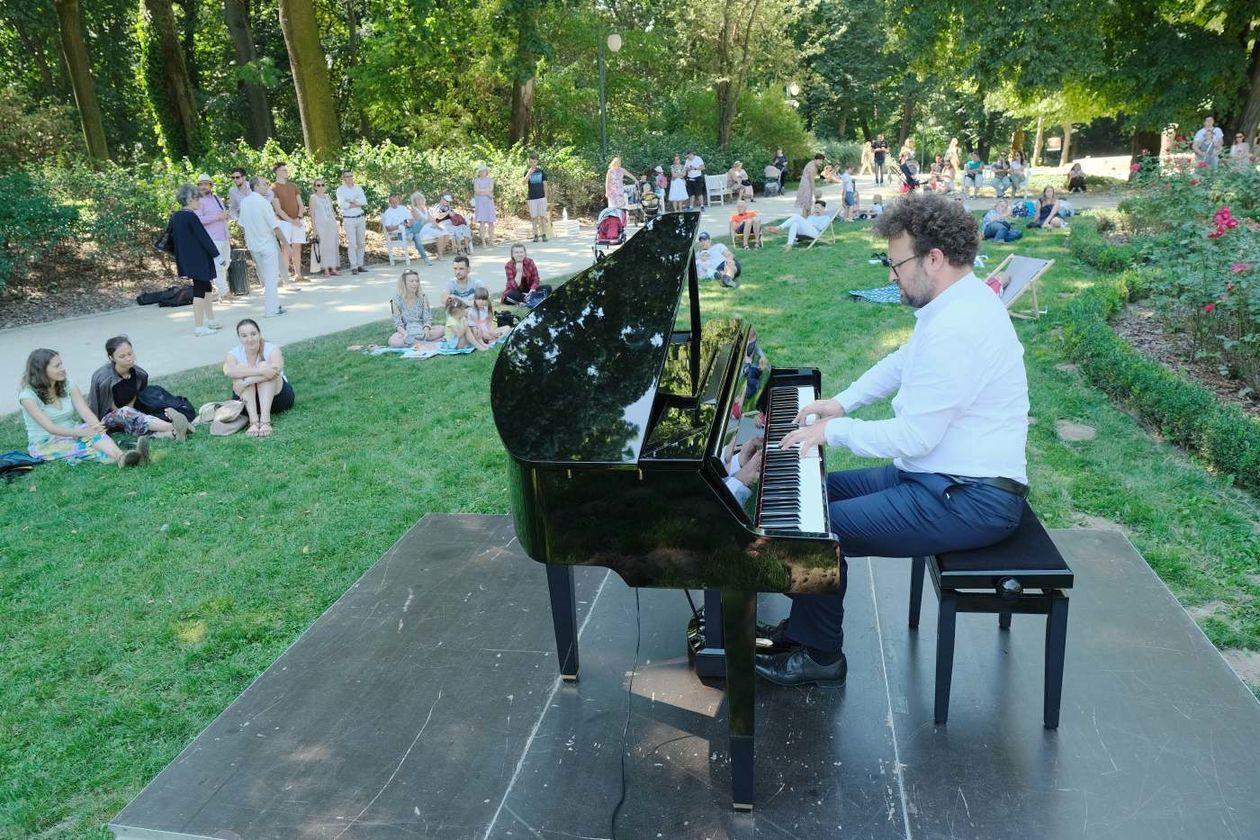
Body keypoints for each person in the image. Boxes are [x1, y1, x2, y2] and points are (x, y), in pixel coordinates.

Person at [749, 191, 1029, 688]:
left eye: (896, 264)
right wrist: (842, 403)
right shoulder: (956, 304)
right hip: (939, 477)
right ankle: (802, 629)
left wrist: (832, 431)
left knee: (813, 534)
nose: (892, 275)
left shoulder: (961, 326)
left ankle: (820, 656)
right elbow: (902, 362)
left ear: (934, 259)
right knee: (807, 497)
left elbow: (915, 436)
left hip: (972, 498)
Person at [18, 348, 145, 467]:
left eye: (61, 364)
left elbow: (84, 410)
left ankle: (122, 457)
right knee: (85, 447)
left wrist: (96, 426)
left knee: (92, 432)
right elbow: (51, 428)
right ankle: (126, 458)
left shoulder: (67, 384)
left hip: (72, 431)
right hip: (45, 442)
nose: (63, 368)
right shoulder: (28, 396)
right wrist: (82, 433)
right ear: (42, 370)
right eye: (57, 366)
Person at [88, 335, 192, 440]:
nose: (128, 358)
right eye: (122, 356)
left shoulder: (139, 374)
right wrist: (130, 414)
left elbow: (135, 397)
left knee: (145, 413)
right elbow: (109, 407)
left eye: (130, 353)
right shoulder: (104, 380)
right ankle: (174, 427)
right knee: (125, 412)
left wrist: (134, 414)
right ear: (111, 358)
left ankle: (172, 433)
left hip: (130, 414)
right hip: (107, 420)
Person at [168, 183, 225, 336]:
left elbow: (171, 239)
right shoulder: (191, 216)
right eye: (197, 199)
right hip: (198, 259)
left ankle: (211, 320)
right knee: (199, 292)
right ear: (189, 199)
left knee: (207, 287)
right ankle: (199, 327)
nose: (199, 202)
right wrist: (217, 256)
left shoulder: (176, 216)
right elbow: (203, 238)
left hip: (188, 259)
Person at [223, 318, 294, 437]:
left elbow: (276, 370)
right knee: (242, 368)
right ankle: (254, 422)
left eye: (253, 334)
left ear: (259, 334)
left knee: (264, 365)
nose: (250, 339)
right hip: (248, 402)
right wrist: (260, 371)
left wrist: (247, 381)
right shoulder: (233, 353)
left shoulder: (272, 349)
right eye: (244, 336)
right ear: (239, 338)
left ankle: (265, 421)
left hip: (277, 399)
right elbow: (229, 371)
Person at [238, 176, 290, 317]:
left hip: (253, 245)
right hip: (267, 244)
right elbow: (275, 226)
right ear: (256, 186)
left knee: (267, 278)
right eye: (264, 184)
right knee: (271, 278)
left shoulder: (244, 202)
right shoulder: (264, 203)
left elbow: (242, 224)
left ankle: (275, 305)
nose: (266, 186)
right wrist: (286, 244)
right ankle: (271, 309)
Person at [195, 174, 231, 301]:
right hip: (212, 238)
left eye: (206, 184)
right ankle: (223, 293)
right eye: (201, 184)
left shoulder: (217, 198)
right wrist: (217, 217)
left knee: (226, 264)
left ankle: (221, 291)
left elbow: (222, 215)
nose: (203, 187)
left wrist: (226, 216)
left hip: (224, 236)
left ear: (211, 185)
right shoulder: (197, 201)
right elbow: (198, 220)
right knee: (218, 266)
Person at [270, 162, 307, 282]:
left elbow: (300, 204)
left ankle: (298, 275)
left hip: (298, 220)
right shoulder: (273, 188)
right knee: (285, 248)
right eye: (283, 170)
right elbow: (278, 209)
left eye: (286, 170)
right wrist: (291, 221)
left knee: (297, 247)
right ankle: (285, 277)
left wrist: (298, 217)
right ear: (277, 172)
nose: (286, 171)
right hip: (284, 222)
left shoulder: (293, 186)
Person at [389, 269, 443, 347]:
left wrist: (426, 328)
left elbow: (427, 318)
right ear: (404, 283)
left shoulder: (423, 297)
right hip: (406, 330)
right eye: (411, 281)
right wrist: (405, 334)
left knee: (441, 329)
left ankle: (414, 342)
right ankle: (424, 343)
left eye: (417, 281)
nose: (415, 284)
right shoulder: (396, 300)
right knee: (394, 341)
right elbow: (398, 324)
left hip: (421, 328)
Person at [767, 199, 836, 250]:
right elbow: (805, 224)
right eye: (815, 207)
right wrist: (811, 218)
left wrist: (811, 224)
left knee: (797, 216)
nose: (816, 209)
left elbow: (821, 227)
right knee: (795, 224)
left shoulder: (826, 217)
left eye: (817, 208)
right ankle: (789, 244)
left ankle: (779, 228)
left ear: (823, 208)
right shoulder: (812, 216)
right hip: (807, 230)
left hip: (814, 232)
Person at [336, 169, 368, 274]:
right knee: (352, 244)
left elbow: (364, 201)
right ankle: (353, 266)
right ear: (343, 178)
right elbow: (342, 205)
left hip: (360, 217)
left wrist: (350, 202)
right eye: (346, 176)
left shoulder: (358, 188)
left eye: (350, 176)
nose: (349, 178)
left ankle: (360, 265)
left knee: (361, 243)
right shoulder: (340, 190)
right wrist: (356, 202)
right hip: (349, 219)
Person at [308, 177, 341, 277]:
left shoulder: (328, 197)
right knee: (323, 247)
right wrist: (314, 230)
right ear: (315, 187)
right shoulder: (313, 198)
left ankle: (333, 268)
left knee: (332, 246)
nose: (321, 187)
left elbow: (331, 211)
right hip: (320, 226)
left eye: (322, 185)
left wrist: (335, 223)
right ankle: (325, 269)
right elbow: (312, 215)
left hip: (331, 224)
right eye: (318, 185)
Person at [406, 191, 441, 264]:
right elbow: (420, 220)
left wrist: (433, 223)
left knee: (441, 231)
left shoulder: (425, 209)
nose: (419, 201)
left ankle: (412, 233)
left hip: (422, 227)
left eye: (420, 199)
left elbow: (431, 219)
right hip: (419, 228)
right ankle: (426, 258)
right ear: (414, 201)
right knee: (421, 223)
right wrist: (428, 220)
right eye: (417, 199)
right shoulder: (414, 210)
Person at [524, 154, 549, 242]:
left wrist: (546, 197)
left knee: (542, 216)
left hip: (541, 197)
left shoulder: (541, 171)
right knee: (534, 217)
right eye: (531, 162)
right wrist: (529, 173)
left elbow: (545, 185)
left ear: (537, 162)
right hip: (532, 198)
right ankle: (535, 235)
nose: (533, 163)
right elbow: (524, 182)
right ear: (529, 162)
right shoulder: (527, 172)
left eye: (534, 162)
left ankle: (544, 234)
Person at [472, 165, 497, 246]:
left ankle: (491, 241)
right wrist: (486, 192)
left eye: (484, 171)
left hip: (489, 203)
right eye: (481, 171)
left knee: (491, 222)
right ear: (479, 173)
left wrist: (482, 191)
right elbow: (476, 191)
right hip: (480, 204)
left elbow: (491, 189)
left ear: (486, 172)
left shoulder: (490, 180)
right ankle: (483, 242)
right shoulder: (476, 180)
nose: (482, 173)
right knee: (482, 222)